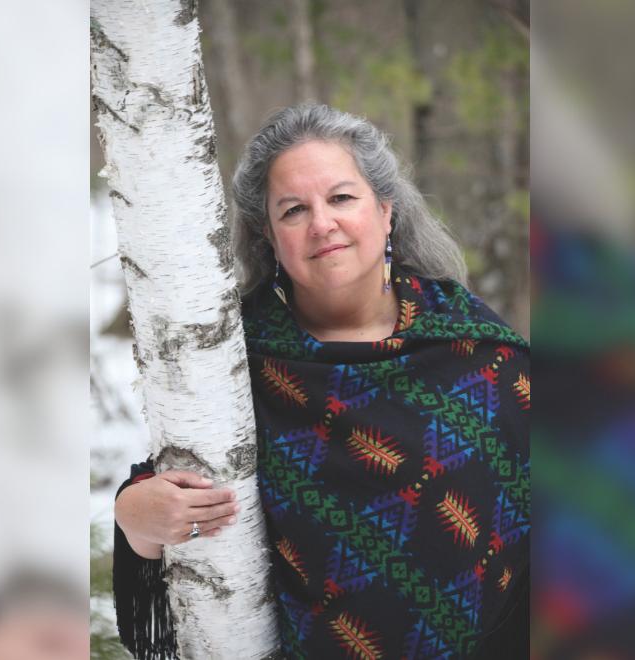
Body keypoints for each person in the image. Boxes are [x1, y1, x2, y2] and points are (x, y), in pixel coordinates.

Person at [113, 104, 530, 659]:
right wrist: (134, 515)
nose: (321, 223)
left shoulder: (476, 349)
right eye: (293, 210)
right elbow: (167, 498)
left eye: (341, 198)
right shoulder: (234, 360)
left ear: (386, 211)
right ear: (268, 237)